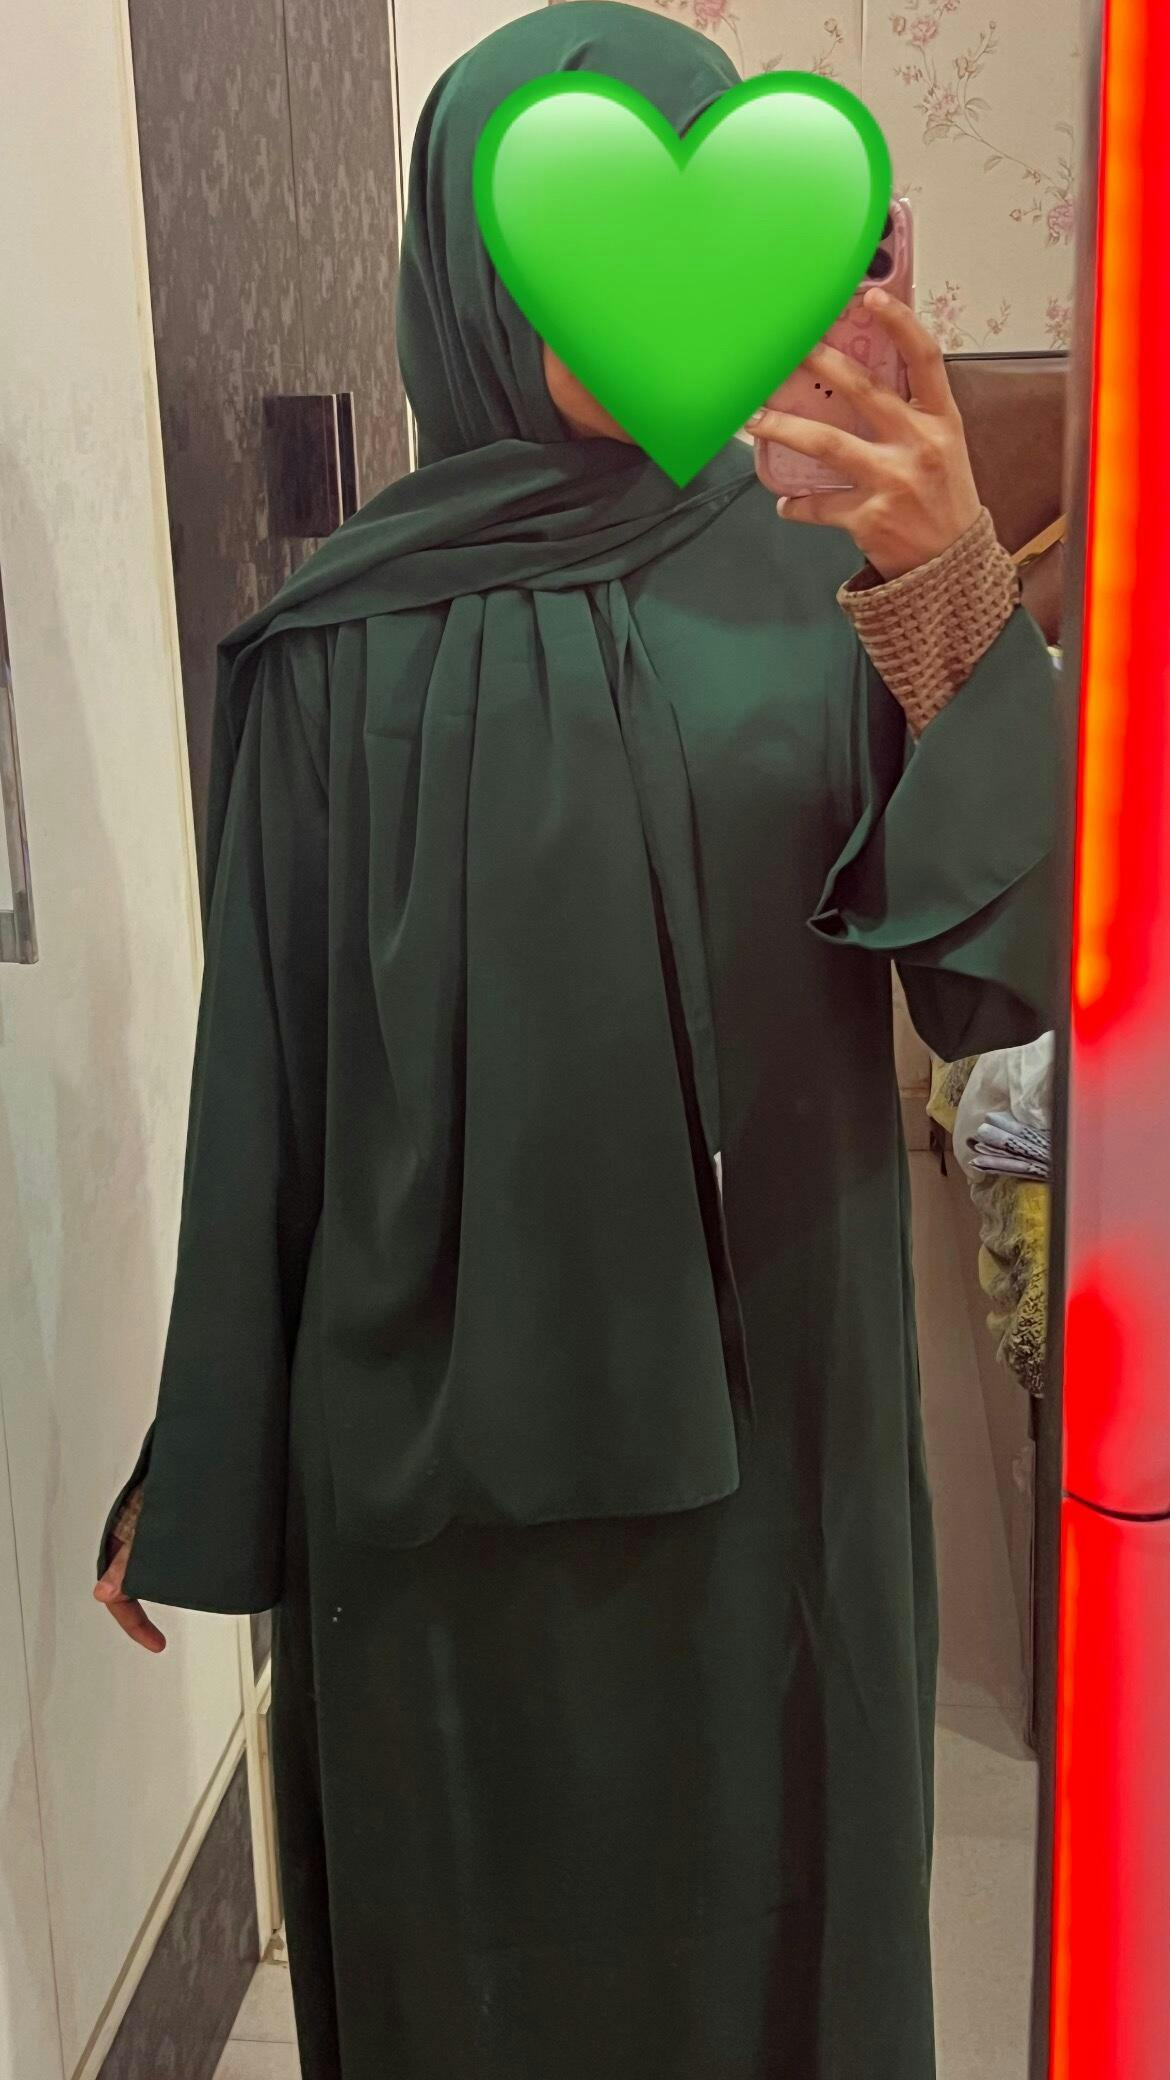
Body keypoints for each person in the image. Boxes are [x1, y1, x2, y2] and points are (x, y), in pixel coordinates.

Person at [95, 6, 1055, 2075]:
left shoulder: (836, 584)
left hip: (775, 1468)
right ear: (472, 257)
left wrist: (955, 595)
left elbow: (1012, 988)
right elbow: (268, 1092)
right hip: (427, 1513)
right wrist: (203, 1452)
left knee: (786, 1940)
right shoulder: (329, 645)